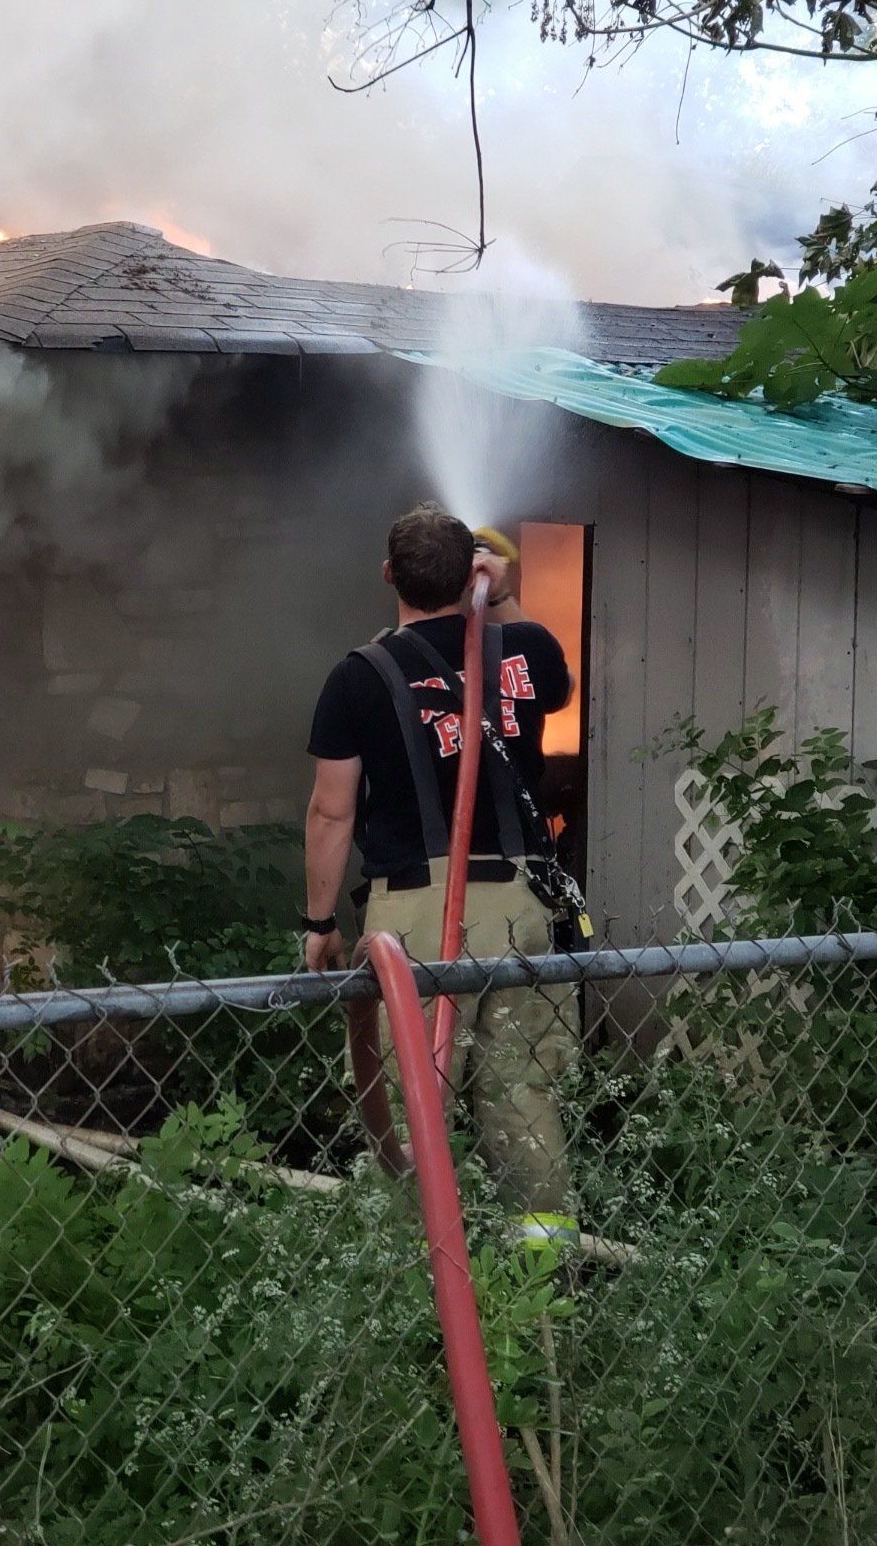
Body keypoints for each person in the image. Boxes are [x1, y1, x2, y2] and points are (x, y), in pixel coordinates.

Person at [303, 503, 578, 1219]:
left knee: (410, 1104)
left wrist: (320, 919)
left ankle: (417, 1282)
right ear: (471, 575)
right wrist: (504, 590)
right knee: (522, 1092)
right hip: (523, 908)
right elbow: (552, 679)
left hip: (416, 922)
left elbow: (332, 811)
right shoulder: (523, 648)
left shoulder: (359, 675)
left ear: (389, 574)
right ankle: (543, 1286)